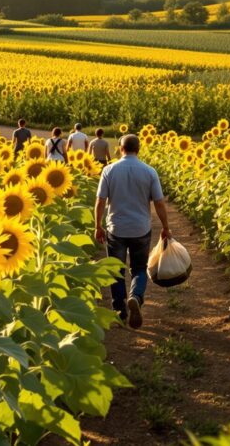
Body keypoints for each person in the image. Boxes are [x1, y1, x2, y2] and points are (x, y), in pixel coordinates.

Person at [93, 134, 171, 330]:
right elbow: (159, 202)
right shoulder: (149, 171)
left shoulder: (109, 170)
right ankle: (135, 296)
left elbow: (101, 201)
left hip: (116, 228)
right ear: (139, 148)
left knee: (116, 271)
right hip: (140, 228)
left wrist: (98, 226)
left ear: (120, 148)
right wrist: (165, 227)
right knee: (138, 268)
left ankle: (120, 310)